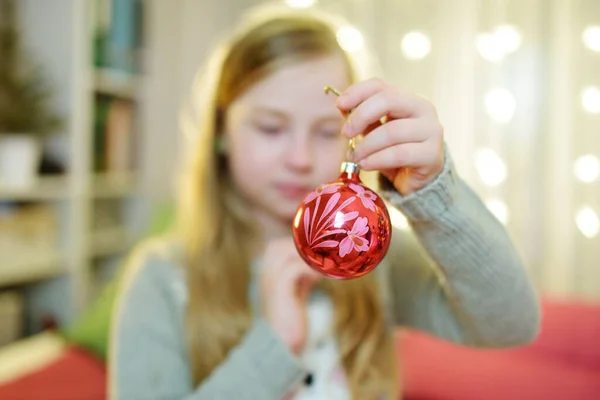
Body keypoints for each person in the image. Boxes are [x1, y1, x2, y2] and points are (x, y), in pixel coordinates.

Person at [108, 5, 540, 400]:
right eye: (271, 128)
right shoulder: (163, 279)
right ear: (221, 132)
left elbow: (511, 324)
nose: (300, 158)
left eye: (326, 131)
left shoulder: (375, 261)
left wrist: (435, 195)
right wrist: (273, 348)